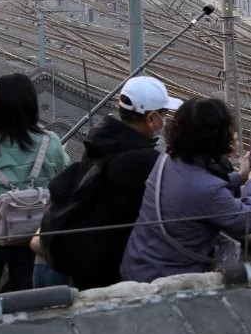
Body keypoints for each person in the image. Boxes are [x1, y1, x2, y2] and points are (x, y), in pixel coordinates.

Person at [44, 76, 180, 290]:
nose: (164, 121)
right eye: (163, 114)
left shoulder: (100, 141)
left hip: (87, 256)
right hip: (114, 269)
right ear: (151, 118)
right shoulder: (143, 160)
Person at [120, 97, 251, 283]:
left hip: (140, 263)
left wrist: (241, 177)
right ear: (214, 137)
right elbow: (249, 220)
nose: (234, 135)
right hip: (166, 279)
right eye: (230, 131)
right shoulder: (206, 189)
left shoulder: (168, 159)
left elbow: (195, 194)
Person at [0, 74, 69, 296]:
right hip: (33, 234)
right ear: (32, 105)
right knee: (31, 303)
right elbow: (64, 181)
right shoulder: (51, 143)